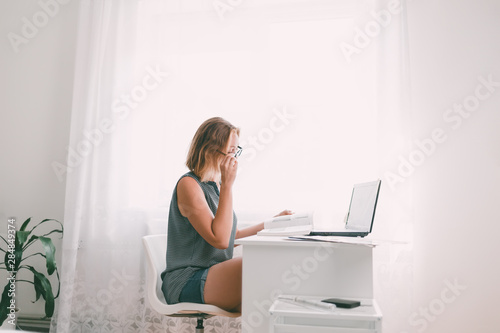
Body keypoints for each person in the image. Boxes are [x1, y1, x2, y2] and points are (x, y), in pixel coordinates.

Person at [161, 117, 292, 313]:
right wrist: (228, 186)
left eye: (236, 151)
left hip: (210, 275)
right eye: (231, 152)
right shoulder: (189, 185)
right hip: (187, 279)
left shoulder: (216, 186)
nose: (235, 159)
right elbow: (221, 240)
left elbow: (233, 235)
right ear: (209, 150)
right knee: (258, 265)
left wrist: (273, 223)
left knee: (268, 297)